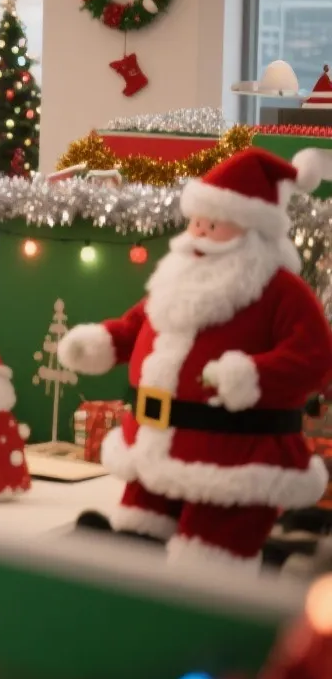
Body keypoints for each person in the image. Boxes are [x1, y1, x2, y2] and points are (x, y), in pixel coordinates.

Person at [58, 147, 332, 570]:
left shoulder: (280, 291)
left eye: (213, 224)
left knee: (206, 565)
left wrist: (251, 376)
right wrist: (102, 343)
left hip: (233, 461)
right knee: (135, 543)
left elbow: (314, 358)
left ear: (253, 230)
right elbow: (139, 325)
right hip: (153, 449)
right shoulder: (177, 277)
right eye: (196, 222)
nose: (199, 234)